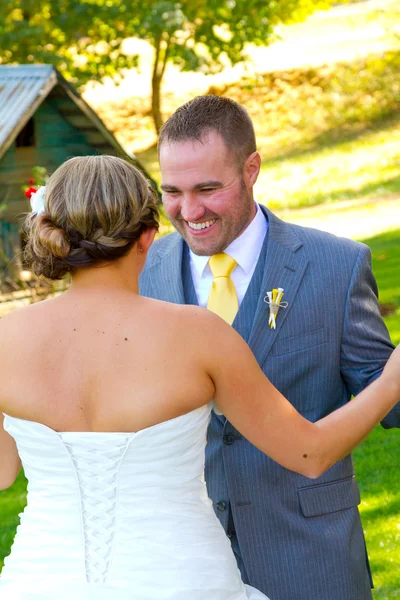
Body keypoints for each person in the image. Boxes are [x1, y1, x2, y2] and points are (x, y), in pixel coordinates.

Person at [0, 156, 399, 600]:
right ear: (147, 236)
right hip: (182, 581)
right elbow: (310, 452)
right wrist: (390, 382)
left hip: (39, 582)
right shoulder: (198, 333)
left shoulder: (5, 340)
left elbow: (2, 471)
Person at [139, 95, 399, 600]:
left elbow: (388, 394)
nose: (189, 211)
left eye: (208, 189)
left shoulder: (336, 267)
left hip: (310, 559)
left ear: (251, 168)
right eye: (172, 191)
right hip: (182, 564)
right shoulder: (142, 270)